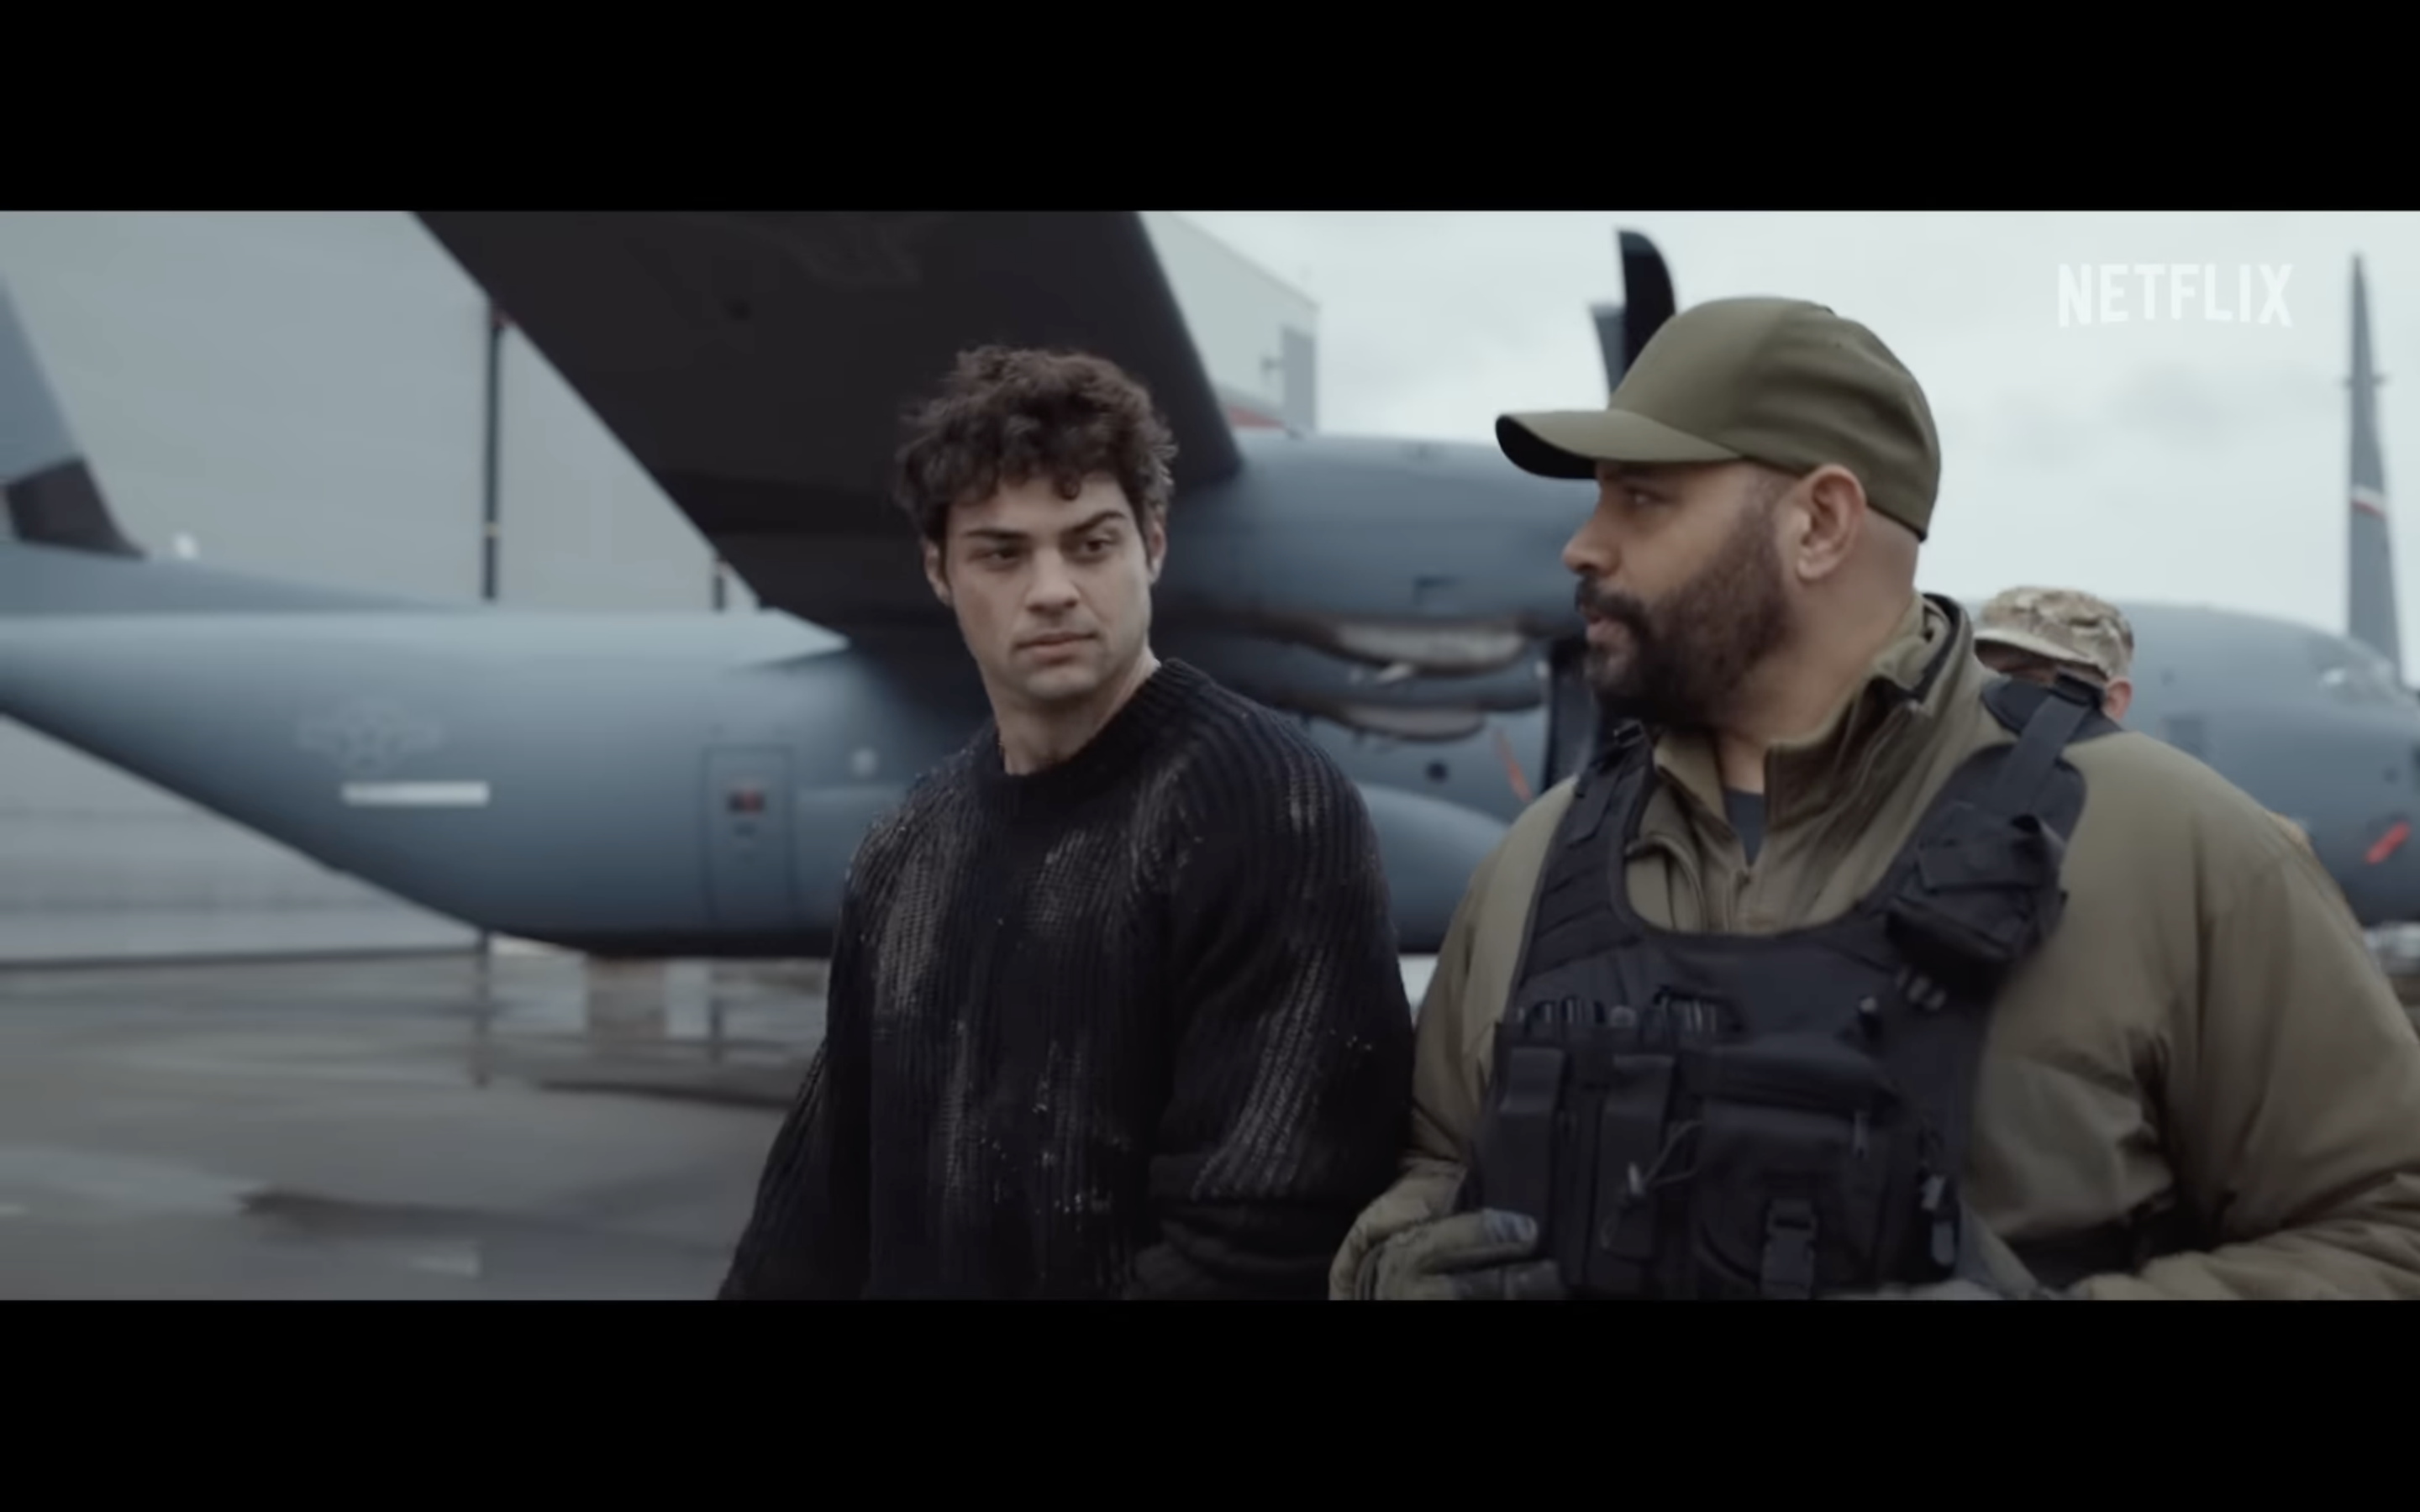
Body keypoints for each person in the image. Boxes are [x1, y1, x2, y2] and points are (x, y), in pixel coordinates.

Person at [1330, 295, 2420, 1301]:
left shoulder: (2170, 852)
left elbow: (2387, 1227)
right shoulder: (1536, 863)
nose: (1583, 543)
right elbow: (1436, 1164)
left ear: (1819, 524)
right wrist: (1399, 1262)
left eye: (1644, 498)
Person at [718, 345, 1414, 1299]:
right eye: (1002, 552)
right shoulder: (906, 849)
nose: (1052, 589)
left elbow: (1257, 1241)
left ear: (1153, 546)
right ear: (937, 570)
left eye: (1091, 543)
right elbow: (814, 1212)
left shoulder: (1263, 808)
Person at [1972, 585, 2330, 860]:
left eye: (2025, 683)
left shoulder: (2223, 845)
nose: (1994, 699)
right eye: (1978, 679)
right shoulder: (1930, 802)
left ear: (2112, 702)